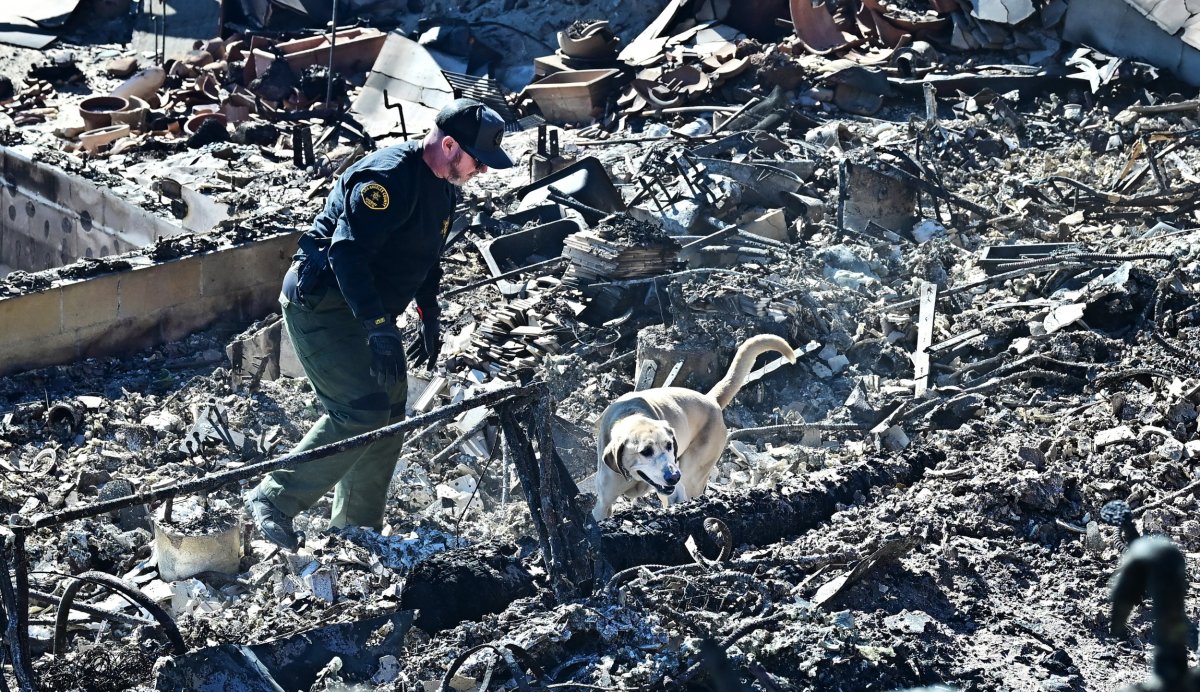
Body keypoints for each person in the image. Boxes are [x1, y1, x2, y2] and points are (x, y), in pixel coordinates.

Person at [245, 98, 515, 550]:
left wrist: (429, 313)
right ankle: (272, 499)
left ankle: (355, 529)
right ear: (449, 145)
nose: (482, 172)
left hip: (369, 311)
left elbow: (426, 255)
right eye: (478, 161)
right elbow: (346, 256)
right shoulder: (386, 180)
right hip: (324, 304)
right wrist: (378, 328)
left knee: (388, 418)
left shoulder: (444, 185)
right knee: (359, 411)